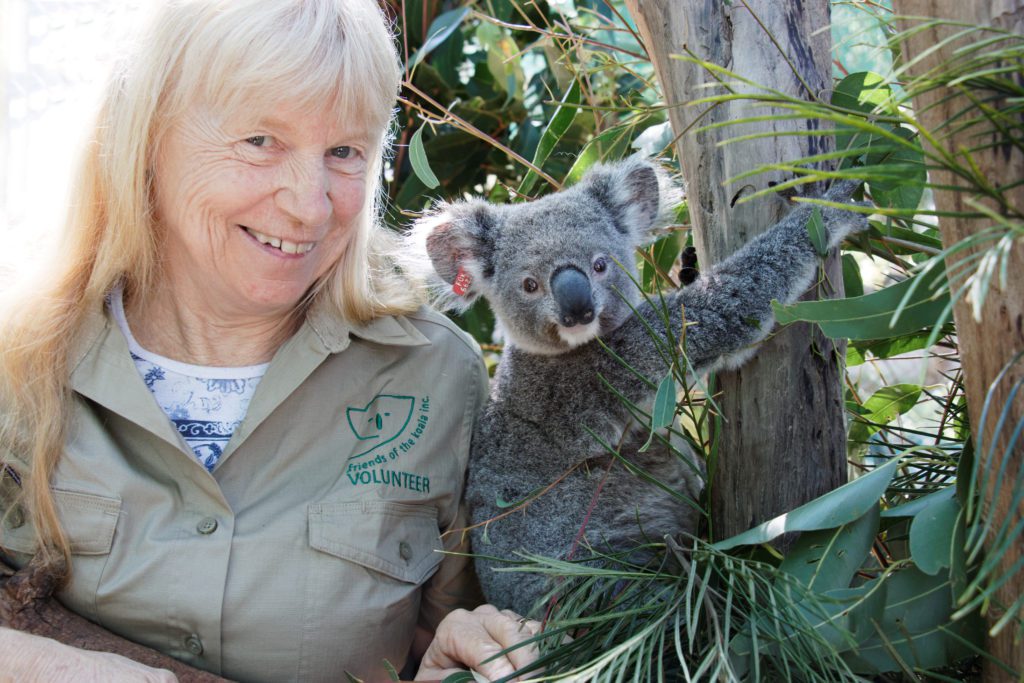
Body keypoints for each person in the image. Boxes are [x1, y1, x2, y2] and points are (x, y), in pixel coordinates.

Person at [0, 0, 540, 680]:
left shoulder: (434, 376)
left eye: (343, 152)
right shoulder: (19, 361)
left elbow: (437, 638)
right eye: (261, 141)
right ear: (148, 138)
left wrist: (456, 655)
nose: (310, 206)